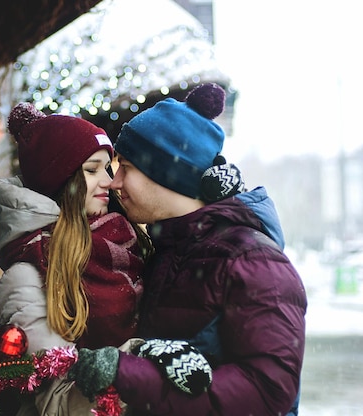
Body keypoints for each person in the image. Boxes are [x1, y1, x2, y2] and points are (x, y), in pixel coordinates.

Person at [68, 83, 307, 415]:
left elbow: (267, 393)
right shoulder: (169, 249)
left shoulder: (251, 260)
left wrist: (130, 374)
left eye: (127, 167)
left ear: (167, 174)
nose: (113, 180)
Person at [0, 102, 212, 415]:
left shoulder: (132, 246)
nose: (109, 180)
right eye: (92, 170)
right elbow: (54, 403)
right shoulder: (30, 273)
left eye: (108, 168)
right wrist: (137, 360)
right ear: (61, 180)